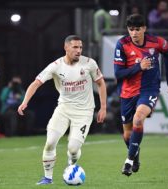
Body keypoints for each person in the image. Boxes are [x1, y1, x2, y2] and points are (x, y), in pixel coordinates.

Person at [18, 35, 107, 185]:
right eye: (75, 47)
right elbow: (36, 83)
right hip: (63, 109)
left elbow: (101, 83)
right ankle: (47, 178)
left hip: (84, 112)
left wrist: (103, 107)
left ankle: (71, 164)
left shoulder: (89, 63)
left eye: (80, 47)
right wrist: (24, 102)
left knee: (73, 149)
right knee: (50, 142)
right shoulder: (56, 66)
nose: (79, 51)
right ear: (66, 48)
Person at [113, 14, 168, 176]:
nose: (134, 33)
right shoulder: (122, 44)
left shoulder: (157, 42)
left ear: (144, 29)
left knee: (138, 119)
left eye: (137, 29)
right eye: (131, 29)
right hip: (127, 92)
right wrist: (139, 67)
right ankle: (135, 155)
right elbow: (118, 74)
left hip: (149, 89)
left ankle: (128, 161)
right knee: (127, 134)